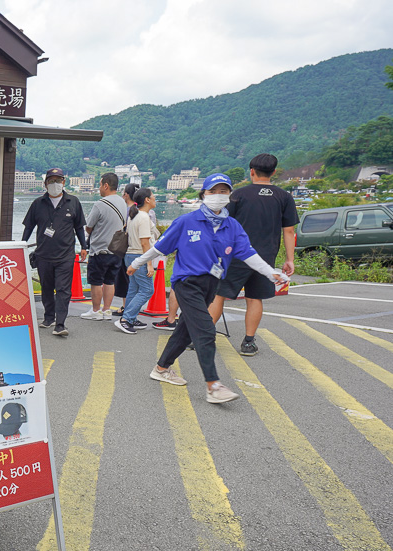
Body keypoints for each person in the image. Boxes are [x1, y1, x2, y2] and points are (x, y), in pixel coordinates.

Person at [126, 173, 288, 403]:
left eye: (224, 191)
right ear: (204, 194)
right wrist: (136, 263)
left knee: (185, 330)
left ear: (229, 196)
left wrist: (271, 272)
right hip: (186, 283)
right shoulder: (186, 222)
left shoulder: (232, 226)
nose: (219, 196)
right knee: (205, 330)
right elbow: (159, 248)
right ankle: (213, 385)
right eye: (214, 191)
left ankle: (161, 368)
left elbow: (250, 255)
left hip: (211, 285)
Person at [207, 153, 298, 355]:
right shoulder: (284, 197)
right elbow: (289, 231)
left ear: (251, 171)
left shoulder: (238, 195)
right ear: (274, 172)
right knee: (254, 298)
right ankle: (248, 342)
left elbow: (220, 225)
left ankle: (202, 337)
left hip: (236, 255)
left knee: (219, 295)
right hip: (264, 258)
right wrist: (289, 259)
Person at [22, 167, 88, 337]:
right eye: (51, 181)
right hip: (43, 254)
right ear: (45, 184)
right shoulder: (38, 203)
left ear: (64, 182)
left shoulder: (73, 202)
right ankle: (49, 317)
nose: (55, 184)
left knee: (63, 289)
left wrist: (84, 247)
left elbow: (79, 227)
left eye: (58, 180)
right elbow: (29, 227)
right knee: (46, 288)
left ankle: (60, 324)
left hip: (65, 255)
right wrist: (21, 245)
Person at [80, 173, 125, 320]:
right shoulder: (123, 202)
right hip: (117, 250)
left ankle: (95, 311)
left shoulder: (100, 204)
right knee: (110, 281)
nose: (99, 188)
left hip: (100, 249)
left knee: (96, 281)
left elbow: (89, 226)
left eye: (100, 184)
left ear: (106, 185)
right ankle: (106, 311)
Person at [114, 188, 156, 333]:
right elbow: (145, 242)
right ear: (147, 200)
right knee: (147, 290)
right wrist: (149, 263)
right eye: (153, 197)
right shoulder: (144, 217)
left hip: (131, 255)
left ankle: (130, 318)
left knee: (134, 288)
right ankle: (126, 318)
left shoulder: (134, 215)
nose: (155, 199)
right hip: (140, 256)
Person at [111, 183, 139, 316]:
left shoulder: (126, 211)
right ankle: (129, 308)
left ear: (126, 195)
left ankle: (127, 308)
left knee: (125, 280)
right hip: (140, 250)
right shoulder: (144, 211)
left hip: (126, 250)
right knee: (135, 282)